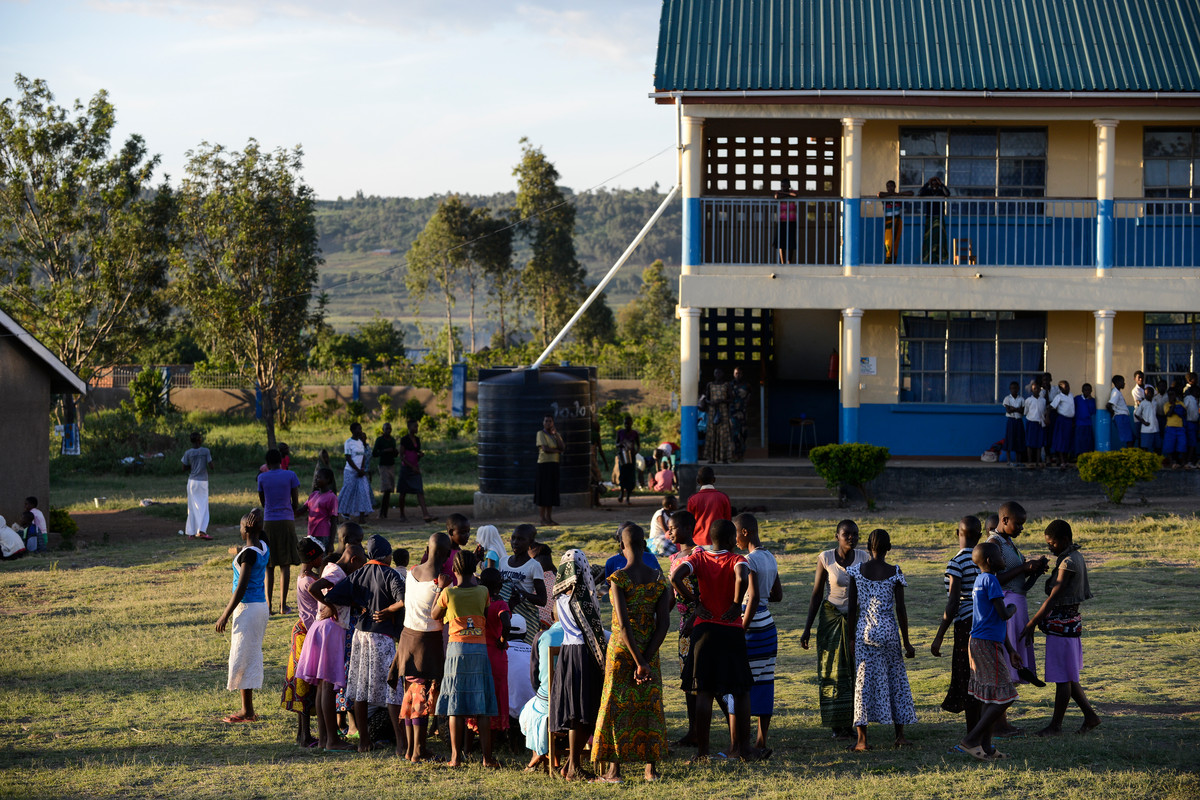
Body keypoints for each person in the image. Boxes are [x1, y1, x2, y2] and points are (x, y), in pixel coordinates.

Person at [670, 519, 763, 762]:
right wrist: (735, 604)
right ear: (733, 539)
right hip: (731, 630)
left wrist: (696, 603)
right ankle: (743, 748)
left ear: (710, 539)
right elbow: (742, 577)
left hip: (704, 631)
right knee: (740, 691)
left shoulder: (698, 558)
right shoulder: (737, 559)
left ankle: (702, 753)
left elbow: (676, 577)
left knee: (704, 691)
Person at [591, 523, 672, 783]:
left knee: (616, 705)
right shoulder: (660, 580)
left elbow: (623, 626)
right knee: (649, 704)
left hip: (623, 653)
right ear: (644, 544)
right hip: (650, 650)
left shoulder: (618, 579)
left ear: (622, 546)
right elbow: (664, 624)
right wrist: (646, 661)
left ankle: (614, 771)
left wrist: (637, 661)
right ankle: (651, 770)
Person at [323, 534, 406, 755]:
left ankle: (364, 741)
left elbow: (332, 595)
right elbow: (403, 600)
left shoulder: (357, 575)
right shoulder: (391, 574)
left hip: (360, 634)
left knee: (360, 689)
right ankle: (401, 743)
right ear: (387, 555)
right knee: (392, 689)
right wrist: (388, 611)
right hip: (383, 637)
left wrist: (357, 604)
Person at [1021, 520, 1101, 737]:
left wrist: (1031, 623)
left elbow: (1054, 598)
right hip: (1070, 624)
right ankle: (1091, 717)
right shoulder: (1075, 557)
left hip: (1062, 627)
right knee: (1069, 675)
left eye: (1052, 543)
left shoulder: (1067, 563)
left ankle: (1055, 727)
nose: (1050, 547)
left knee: (1063, 678)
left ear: (1065, 540)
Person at [846, 528, 917, 752]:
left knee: (863, 684)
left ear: (868, 547)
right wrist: (906, 641)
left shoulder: (856, 571)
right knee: (896, 680)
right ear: (889, 548)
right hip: (888, 632)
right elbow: (901, 609)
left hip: (864, 632)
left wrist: (850, 639)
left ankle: (862, 740)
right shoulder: (895, 571)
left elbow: (851, 609)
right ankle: (900, 735)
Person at [800, 519, 868, 739]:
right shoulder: (826, 557)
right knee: (831, 670)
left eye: (855, 534)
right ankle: (835, 723)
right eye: (847, 534)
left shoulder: (864, 558)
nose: (852, 538)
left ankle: (852, 723)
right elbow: (817, 594)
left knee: (854, 670)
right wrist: (807, 628)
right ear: (836, 535)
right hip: (830, 618)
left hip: (855, 618)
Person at [955, 541, 1022, 761]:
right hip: (986, 644)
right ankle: (971, 739)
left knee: (989, 696)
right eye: (1001, 557)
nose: (1004, 560)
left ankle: (986, 747)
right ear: (992, 561)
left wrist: (1010, 649)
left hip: (980, 641)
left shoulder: (980, 580)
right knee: (1006, 695)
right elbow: (1003, 614)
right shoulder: (992, 580)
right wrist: (1013, 608)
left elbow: (993, 619)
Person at [987, 501, 1049, 737]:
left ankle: (1000, 721)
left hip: (1016, 603)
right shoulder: (993, 544)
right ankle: (998, 723)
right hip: (1007, 605)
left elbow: (1016, 579)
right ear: (1004, 521)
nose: (1022, 528)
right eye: (1019, 524)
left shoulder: (1007, 543)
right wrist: (1024, 568)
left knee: (1011, 664)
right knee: (1006, 666)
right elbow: (992, 579)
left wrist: (1033, 570)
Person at [432, 551, 500, 768]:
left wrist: (440, 590)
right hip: (479, 650)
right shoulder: (483, 591)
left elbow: (434, 614)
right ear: (475, 569)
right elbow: (486, 613)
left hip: (456, 650)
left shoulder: (448, 593)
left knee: (455, 706)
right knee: (482, 706)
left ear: (454, 570)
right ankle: (487, 758)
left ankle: (455, 757)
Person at [389, 531, 451, 762]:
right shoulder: (441, 580)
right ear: (446, 555)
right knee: (422, 699)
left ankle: (410, 749)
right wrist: (441, 590)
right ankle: (418, 751)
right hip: (427, 642)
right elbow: (438, 612)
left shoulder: (412, 571)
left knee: (410, 696)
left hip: (407, 640)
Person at [298, 542, 366, 751]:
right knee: (327, 687)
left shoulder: (330, 567)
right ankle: (332, 741)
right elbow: (314, 588)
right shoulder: (337, 572)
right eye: (360, 566)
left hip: (321, 628)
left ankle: (325, 738)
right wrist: (330, 605)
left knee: (322, 688)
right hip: (331, 629)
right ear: (353, 560)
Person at [551, 549, 608, 781]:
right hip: (582, 655)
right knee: (581, 712)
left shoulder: (560, 597)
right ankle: (573, 768)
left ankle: (569, 765)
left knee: (579, 711)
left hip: (567, 653)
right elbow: (592, 633)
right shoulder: (581, 598)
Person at [931, 515, 984, 739]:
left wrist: (939, 636)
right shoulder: (984, 559)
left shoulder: (956, 562)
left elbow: (953, 602)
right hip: (985, 622)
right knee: (981, 676)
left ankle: (973, 733)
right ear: (980, 536)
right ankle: (984, 730)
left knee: (968, 679)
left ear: (957, 533)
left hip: (966, 625)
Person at [215, 509, 269, 724]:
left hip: (247, 608)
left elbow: (242, 586)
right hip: (260, 607)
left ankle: (247, 711)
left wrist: (224, 615)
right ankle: (248, 709)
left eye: (240, 526)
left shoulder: (248, 554)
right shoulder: (263, 546)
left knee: (243, 656)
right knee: (250, 655)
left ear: (246, 529)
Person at [735, 513, 782, 750]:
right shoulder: (770, 557)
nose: (735, 541)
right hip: (768, 626)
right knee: (765, 681)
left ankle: (740, 742)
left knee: (742, 684)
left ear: (745, 532)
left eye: (736, 534)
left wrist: (740, 629)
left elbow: (752, 597)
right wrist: (762, 595)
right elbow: (778, 595)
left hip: (752, 626)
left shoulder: (748, 560)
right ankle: (761, 740)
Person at [281, 536, 324, 747]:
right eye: (321, 555)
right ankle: (305, 735)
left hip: (303, 630)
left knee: (305, 682)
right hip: (308, 635)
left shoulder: (305, 576)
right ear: (314, 557)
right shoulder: (310, 582)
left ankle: (303, 733)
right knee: (305, 684)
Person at [665, 510, 701, 746]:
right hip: (683, 627)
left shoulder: (699, 555)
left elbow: (705, 591)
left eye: (673, 528)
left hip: (699, 623)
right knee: (687, 680)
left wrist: (694, 614)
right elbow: (672, 595)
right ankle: (693, 731)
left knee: (704, 678)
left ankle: (734, 728)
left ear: (687, 528)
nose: (668, 532)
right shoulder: (675, 557)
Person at [256, 449, 301, 615]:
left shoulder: (262, 477)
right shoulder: (290, 475)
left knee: (269, 564)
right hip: (287, 520)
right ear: (281, 460)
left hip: (269, 521)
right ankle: (283, 605)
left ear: (266, 463)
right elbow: (295, 500)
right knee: (285, 563)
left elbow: (263, 501)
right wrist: (292, 507)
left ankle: (268, 606)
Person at [520, 619, 565, 772]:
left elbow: (534, 677)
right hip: (581, 702)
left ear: (553, 616)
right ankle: (554, 758)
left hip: (548, 701)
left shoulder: (543, 636)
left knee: (531, 710)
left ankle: (539, 753)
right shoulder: (584, 635)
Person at [473, 567, 512, 740]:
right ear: (499, 586)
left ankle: (476, 727)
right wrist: (503, 639)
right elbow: (506, 623)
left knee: (480, 690)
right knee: (498, 691)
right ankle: (497, 733)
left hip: (480, 650)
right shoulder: (500, 603)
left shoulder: (478, 602)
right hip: (496, 653)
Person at [498, 524, 547, 646]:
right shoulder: (503, 561)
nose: (515, 542)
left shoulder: (534, 566)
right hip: (502, 615)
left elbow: (542, 600)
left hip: (522, 617)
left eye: (520, 539)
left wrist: (522, 594)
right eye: (513, 538)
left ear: (530, 542)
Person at [398, 418, 435, 523]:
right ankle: (402, 514)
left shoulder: (417, 439)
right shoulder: (404, 439)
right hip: (406, 469)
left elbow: (415, 452)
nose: (417, 428)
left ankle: (425, 514)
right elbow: (402, 456)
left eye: (417, 426)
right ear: (409, 428)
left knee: (419, 491)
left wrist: (420, 455)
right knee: (403, 492)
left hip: (415, 468)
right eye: (415, 426)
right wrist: (411, 466)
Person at [686, 466, 732, 548]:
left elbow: (689, 523)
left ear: (698, 481)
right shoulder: (723, 497)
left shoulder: (692, 499)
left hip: (698, 542)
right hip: (719, 542)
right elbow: (728, 521)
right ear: (714, 480)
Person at [180, 432, 213, 540]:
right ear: (199, 440)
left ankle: (191, 532)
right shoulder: (205, 451)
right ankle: (202, 531)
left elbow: (183, 468)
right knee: (203, 506)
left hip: (192, 482)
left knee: (192, 506)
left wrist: (192, 466)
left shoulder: (188, 453)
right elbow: (211, 465)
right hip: (203, 481)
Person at [338, 423, 373, 523]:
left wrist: (362, 469)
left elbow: (363, 456)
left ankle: (361, 518)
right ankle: (336, 513)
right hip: (350, 472)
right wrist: (357, 470)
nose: (360, 431)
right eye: (359, 429)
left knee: (363, 492)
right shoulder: (348, 442)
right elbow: (348, 458)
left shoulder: (360, 443)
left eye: (361, 429)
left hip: (360, 473)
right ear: (352, 430)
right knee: (347, 493)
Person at [535, 415, 565, 525]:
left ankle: (549, 518)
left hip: (554, 465)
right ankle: (542, 519)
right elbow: (545, 449)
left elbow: (562, 447)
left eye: (550, 421)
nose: (548, 423)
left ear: (553, 423)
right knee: (542, 492)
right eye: (546, 421)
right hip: (544, 465)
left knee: (551, 492)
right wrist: (558, 451)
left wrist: (556, 435)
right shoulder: (540, 434)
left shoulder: (555, 435)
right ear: (543, 422)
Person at [700, 369, 734, 463]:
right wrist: (710, 402)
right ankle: (712, 458)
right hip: (712, 411)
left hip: (723, 412)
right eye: (716, 373)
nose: (717, 375)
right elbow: (706, 398)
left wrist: (722, 401)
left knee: (724, 434)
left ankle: (724, 458)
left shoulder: (726, 385)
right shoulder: (710, 385)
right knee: (712, 434)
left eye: (719, 373)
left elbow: (731, 398)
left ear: (722, 374)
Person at [878, 179, 913, 263]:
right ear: (886, 187)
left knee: (895, 241)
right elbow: (879, 194)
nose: (890, 188)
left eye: (892, 186)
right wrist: (890, 194)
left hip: (897, 220)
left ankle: (894, 260)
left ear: (895, 187)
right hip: (888, 221)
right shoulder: (885, 197)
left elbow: (911, 193)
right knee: (888, 241)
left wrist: (899, 194)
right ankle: (888, 259)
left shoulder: (898, 196)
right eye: (888, 186)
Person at [305, 468, 338, 553]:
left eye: (319, 477)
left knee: (321, 562)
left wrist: (331, 543)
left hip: (323, 535)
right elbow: (302, 510)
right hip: (311, 534)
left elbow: (334, 521)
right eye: (315, 477)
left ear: (328, 480)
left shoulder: (331, 497)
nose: (315, 480)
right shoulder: (313, 495)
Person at [919, 175, 950, 264]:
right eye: (933, 183)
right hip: (930, 217)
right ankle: (930, 259)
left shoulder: (941, 191)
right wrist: (927, 183)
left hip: (939, 217)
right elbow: (920, 193)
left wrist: (941, 184)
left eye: (936, 183)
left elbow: (947, 193)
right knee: (930, 239)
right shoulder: (928, 191)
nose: (935, 184)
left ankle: (939, 259)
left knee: (940, 238)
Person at [372, 422, 399, 519]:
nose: (389, 430)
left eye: (390, 428)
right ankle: (381, 512)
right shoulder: (380, 440)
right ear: (383, 430)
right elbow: (374, 453)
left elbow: (395, 454)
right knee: (386, 488)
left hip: (391, 465)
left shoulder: (392, 440)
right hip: (383, 466)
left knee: (389, 490)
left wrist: (395, 452)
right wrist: (385, 451)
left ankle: (385, 512)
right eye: (387, 428)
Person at [1049, 380, 1075, 468]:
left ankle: (1066, 460)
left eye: (1068, 386)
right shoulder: (1059, 397)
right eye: (1065, 387)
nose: (1068, 388)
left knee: (1068, 440)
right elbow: (1051, 407)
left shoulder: (1071, 395)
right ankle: (1062, 461)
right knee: (1061, 441)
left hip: (1069, 420)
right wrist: (1047, 417)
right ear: (1060, 388)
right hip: (1062, 420)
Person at [774, 180, 799, 264]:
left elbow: (795, 195)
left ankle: (789, 262)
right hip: (781, 221)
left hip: (791, 221)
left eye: (785, 186)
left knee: (791, 242)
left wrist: (785, 194)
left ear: (789, 186)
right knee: (781, 242)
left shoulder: (793, 191)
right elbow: (776, 196)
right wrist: (787, 195)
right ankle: (783, 261)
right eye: (782, 186)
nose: (783, 188)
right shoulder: (779, 192)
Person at [1107, 375, 1134, 449]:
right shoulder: (1115, 392)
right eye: (1122, 382)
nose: (1124, 383)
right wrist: (1113, 413)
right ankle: (1128, 455)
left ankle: (1129, 453)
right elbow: (1108, 405)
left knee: (1132, 438)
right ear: (1117, 382)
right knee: (1129, 439)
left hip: (1123, 417)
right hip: (1121, 416)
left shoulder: (1118, 392)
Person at [1163, 388, 1187, 467]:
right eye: (1169, 395)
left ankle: (1182, 462)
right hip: (1170, 427)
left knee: (1182, 445)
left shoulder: (1180, 403)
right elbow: (1168, 414)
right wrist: (1173, 405)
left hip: (1180, 427)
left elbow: (1183, 413)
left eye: (1173, 394)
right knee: (1170, 446)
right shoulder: (1166, 405)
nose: (1171, 396)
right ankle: (1171, 462)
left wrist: (1175, 407)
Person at [731, 366, 751, 462]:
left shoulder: (746, 385)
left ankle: (741, 454)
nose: (737, 375)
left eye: (739, 373)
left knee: (743, 434)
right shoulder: (730, 385)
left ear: (742, 374)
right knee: (735, 434)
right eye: (736, 373)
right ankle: (735, 454)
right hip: (733, 413)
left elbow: (749, 397)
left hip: (743, 413)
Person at [1001, 381, 1024, 465]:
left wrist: (1014, 408)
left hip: (1018, 421)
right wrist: (1017, 409)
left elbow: (1022, 411)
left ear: (1018, 389)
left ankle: (1018, 461)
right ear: (1010, 389)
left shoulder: (1021, 399)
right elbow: (1008, 410)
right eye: (1012, 388)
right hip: (1011, 421)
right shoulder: (1007, 398)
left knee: (1019, 439)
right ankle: (1009, 460)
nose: (1014, 390)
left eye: (1015, 388)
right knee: (1009, 438)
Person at [1024, 382, 1047, 467]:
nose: (1036, 390)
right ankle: (1030, 461)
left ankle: (1038, 461)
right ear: (1032, 390)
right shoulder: (1028, 400)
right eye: (1034, 389)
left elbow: (1044, 411)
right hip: (1031, 422)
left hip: (1040, 423)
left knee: (1039, 443)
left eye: (1038, 389)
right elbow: (1026, 412)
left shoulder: (1043, 400)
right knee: (1030, 443)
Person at [1074, 383, 1096, 457]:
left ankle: (1087, 456)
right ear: (1082, 390)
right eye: (1086, 390)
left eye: (1089, 390)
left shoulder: (1092, 400)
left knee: (1088, 441)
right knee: (1079, 441)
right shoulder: (1077, 399)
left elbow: (1093, 411)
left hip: (1088, 424)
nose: (1087, 392)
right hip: (1079, 423)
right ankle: (1078, 456)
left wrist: (1090, 401)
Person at [1135, 384, 1159, 451]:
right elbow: (1136, 414)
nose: (1147, 394)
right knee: (1145, 447)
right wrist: (1144, 422)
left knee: (1157, 447)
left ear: (1152, 393)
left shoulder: (1155, 403)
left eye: (1149, 393)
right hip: (1146, 429)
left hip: (1155, 428)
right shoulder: (1143, 403)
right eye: (1146, 393)